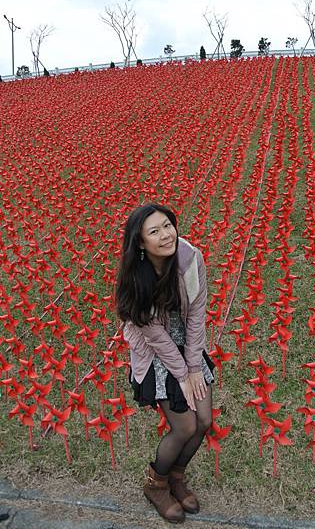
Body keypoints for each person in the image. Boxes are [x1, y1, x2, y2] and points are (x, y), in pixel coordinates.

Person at [116, 203, 214, 524]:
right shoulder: (135, 277)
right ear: (141, 243)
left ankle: (176, 477)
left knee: (203, 421)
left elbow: (197, 313)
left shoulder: (190, 258)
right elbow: (154, 335)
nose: (166, 235)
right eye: (154, 231)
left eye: (167, 226)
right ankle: (156, 484)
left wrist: (195, 366)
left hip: (186, 338)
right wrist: (181, 373)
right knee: (184, 425)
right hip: (156, 348)